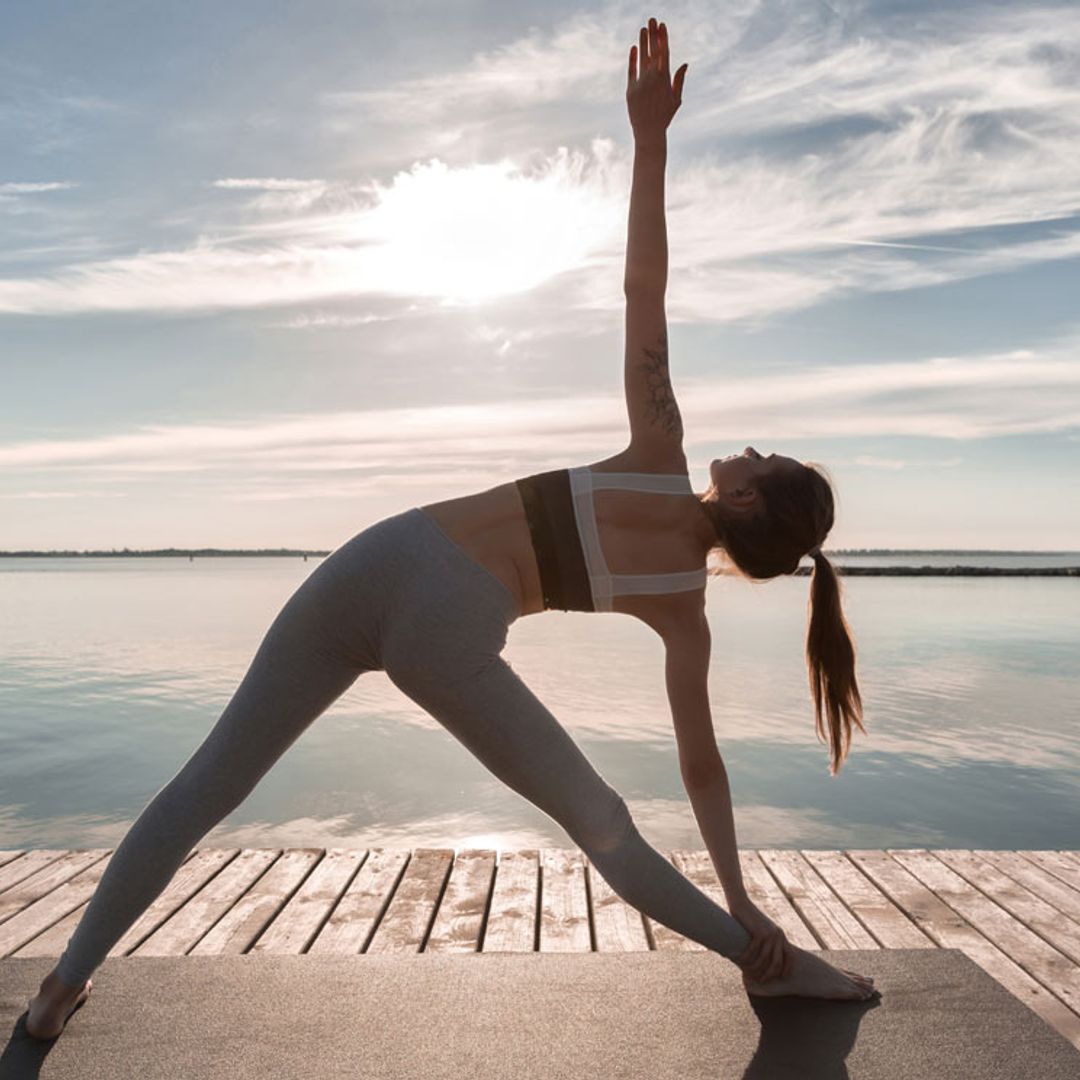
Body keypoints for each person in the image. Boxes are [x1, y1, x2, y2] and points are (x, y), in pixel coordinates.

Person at [26, 16, 874, 1042]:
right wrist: (739, 896)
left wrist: (649, 140)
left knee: (208, 784)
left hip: (383, 557)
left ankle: (61, 986)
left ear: (748, 503)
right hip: (447, 627)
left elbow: (641, 287)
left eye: (765, 460)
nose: (750, 449)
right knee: (600, 820)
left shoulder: (660, 447)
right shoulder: (682, 614)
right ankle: (762, 961)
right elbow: (703, 770)